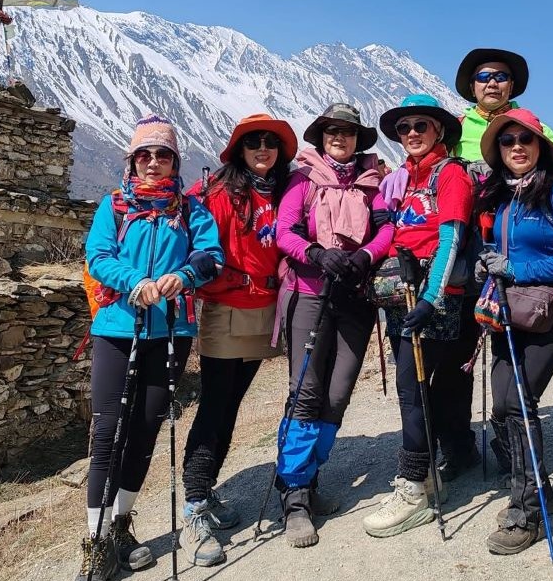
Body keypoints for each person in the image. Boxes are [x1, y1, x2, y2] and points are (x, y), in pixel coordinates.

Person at [78, 114, 223, 581]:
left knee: (144, 430)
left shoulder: (191, 210)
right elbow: (98, 257)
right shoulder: (115, 206)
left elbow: (211, 257)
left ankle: (121, 525)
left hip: (171, 333)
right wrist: (134, 281)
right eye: (145, 154)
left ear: (175, 161)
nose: (154, 162)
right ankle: (96, 542)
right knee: (107, 433)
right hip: (117, 328)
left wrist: (184, 276)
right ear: (133, 160)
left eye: (163, 155)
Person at [433, 48, 553, 483]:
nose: (492, 82)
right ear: (472, 85)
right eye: (483, 76)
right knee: (458, 363)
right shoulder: (454, 129)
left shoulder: (533, 126)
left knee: (508, 383)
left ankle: (514, 455)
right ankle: (461, 447)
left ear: (511, 86)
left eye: (500, 76)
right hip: (467, 259)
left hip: (511, 265)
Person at [176, 114, 297, 566]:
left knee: (231, 406)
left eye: (270, 143)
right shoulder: (220, 195)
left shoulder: (281, 192)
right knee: (215, 405)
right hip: (228, 309)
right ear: (239, 151)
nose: (263, 149)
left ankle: (204, 491)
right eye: (254, 143)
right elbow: (190, 226)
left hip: (264, 309)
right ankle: (194, 505)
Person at [273, 103, 395, 547]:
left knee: (338, 394)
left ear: (356, 138)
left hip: (355, 297)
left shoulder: (371, 183)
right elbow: (283, 231)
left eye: (346, 132)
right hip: (310, 293)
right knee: (305, 392)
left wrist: (365, 256)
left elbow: (386, 231)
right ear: (321, 138)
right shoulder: (303, 181)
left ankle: (310, 476)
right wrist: (316, 254)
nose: (338, 139)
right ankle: (296, 496)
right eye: (331, 132)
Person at [474, 108, 553, 555]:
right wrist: (490, 259)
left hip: (548, 311)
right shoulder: (500, 196)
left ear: (541, 146)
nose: (517, 146)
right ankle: (540, 488)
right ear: (498, 151)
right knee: (502, 406)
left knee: (518, 403)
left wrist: (515, 268)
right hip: (506, 310)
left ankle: (527, 511)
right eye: (507, 141)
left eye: (526, 139)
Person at [362, 95, 473, 538]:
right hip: (404, 292)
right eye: (404, 126)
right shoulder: (406, 178)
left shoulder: (450, 176)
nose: (411, 132)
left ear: (439, 131)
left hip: (431, 294)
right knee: (419, 388)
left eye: (420, 125)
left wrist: (431, 298)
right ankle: (427, 476)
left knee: (413, 389)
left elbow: (451, 239)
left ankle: (414, 490)